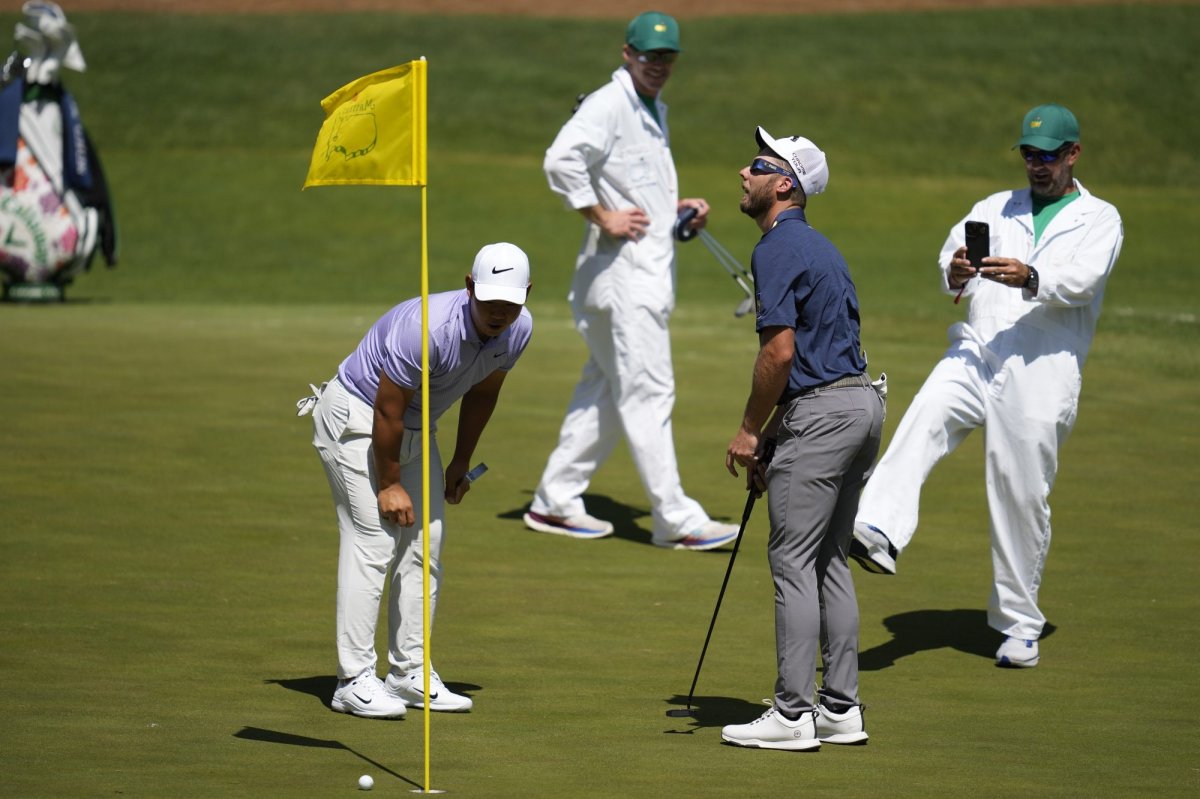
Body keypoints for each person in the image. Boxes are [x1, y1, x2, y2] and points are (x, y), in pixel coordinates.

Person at [850, 104, 1124, 669]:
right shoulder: (993, 207)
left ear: (1073, 154)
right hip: (978, 350)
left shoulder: (1101, 218)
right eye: (1029, 154)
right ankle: (877, 526)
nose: (1037, 165)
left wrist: (1030, 276)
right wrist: (954, 270)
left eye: (1048, 155)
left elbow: (1083, 281)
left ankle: (1019, 623)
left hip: (1042, 370)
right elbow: (951, 257)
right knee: (925, 413)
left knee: (1019, 492)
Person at [523, 11, 738, 551]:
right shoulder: (609, 104)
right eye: (649, 56)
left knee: (606, 392)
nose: (659, 66)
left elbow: (632, 183)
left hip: (630, 280)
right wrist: (602, 216)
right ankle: (675, 519)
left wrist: (673, 209)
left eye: (667, 57)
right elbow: (560, 160)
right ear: (627, 54)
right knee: (648, 392)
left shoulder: (650, 107)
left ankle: (554, 501)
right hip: (622, 281)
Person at [302, 243, 534, 718]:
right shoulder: (426, 329)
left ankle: (409, 673)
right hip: (356, 416)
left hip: (414, 425)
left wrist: (458, 462)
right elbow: (387, 409)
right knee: (373, 540)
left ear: (527, 295)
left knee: (425, 544)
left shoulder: (518, 330)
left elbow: (483, 394)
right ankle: (352, 681)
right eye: (489, 300)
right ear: (469, 286)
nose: (499, 312)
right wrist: (389, 483)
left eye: (510, 302)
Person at [721, 127, 884, 750]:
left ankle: (792, 715)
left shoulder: (777, 247)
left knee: (791, 561)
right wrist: (777, 435)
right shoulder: (820, 247)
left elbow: (781, 352)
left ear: (783, 184)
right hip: (860, 407)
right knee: (828, 561)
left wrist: (749, 431)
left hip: (822, 414)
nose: (743, 172)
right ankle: (840, 708)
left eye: (757, 165)